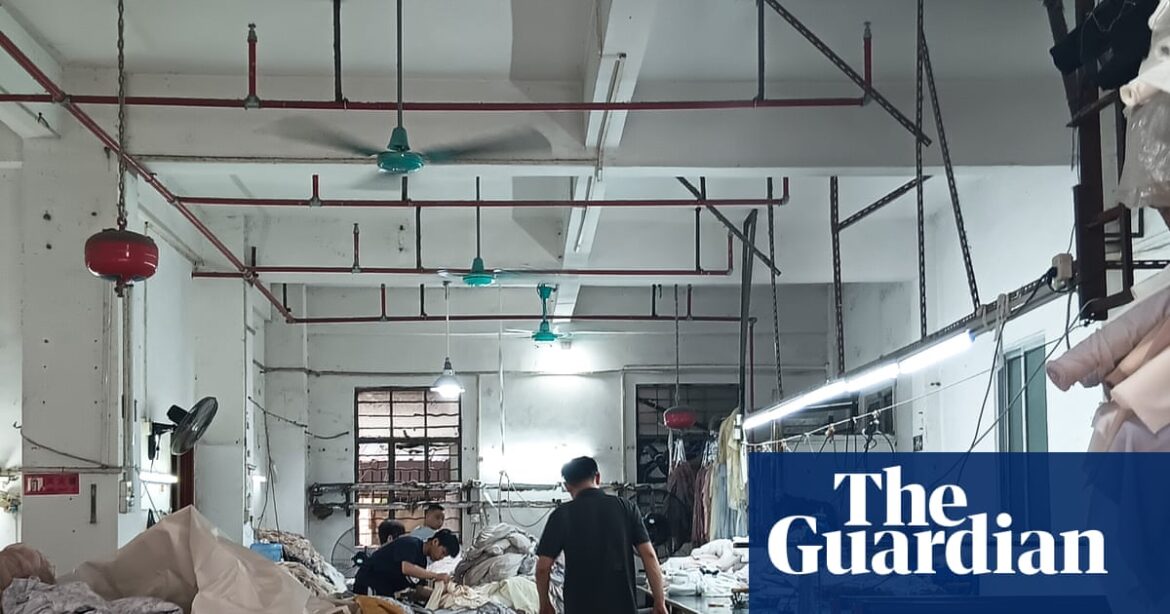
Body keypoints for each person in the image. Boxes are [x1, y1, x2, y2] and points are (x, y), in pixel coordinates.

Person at [535, 457, 667, 614]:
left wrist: (545, 603)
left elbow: (543, 568)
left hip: (579, 608)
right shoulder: (626, 508)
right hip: (622, 607)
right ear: (597, 477)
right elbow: (649, 556)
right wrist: (659, 601)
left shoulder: (561, 515)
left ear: (567, 486)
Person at [353, 529, 461, 597]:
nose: (441, 558)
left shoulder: (422, 563)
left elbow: (419, 590)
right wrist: (436, 576)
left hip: (385, 591)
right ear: (435, 542)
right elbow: (407, 568)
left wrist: (443, 594)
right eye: (443, 553)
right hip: (369, 583)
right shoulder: (411, 544)